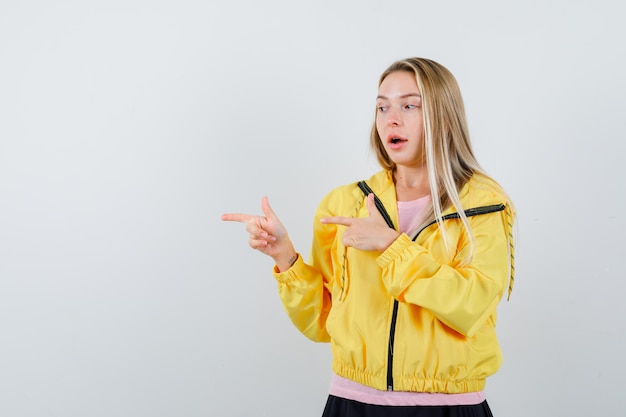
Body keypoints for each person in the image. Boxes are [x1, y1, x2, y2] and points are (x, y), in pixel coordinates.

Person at [221, 57, 516, 417]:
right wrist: (286, 258)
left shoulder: (482, 204)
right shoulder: (346, 203)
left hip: (447, 406)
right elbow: (323, 321)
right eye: (382, 106)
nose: (391, 118)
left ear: (443, 115)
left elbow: (471, 304)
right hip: (352, 404)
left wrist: (392, 247)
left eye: (409, 105)